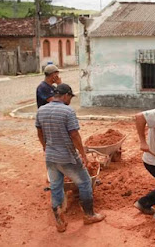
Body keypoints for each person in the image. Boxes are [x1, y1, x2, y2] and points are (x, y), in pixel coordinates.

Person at [35, 83, 105, 232]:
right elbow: (74, 135)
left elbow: (40, 133)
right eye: (70, 97)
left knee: (55, 187)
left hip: (51, 157)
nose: (70, 100)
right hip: (67, 157)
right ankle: (89, 215)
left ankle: (59, 222)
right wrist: (83, 154)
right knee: (85, 182)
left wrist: (45, 147)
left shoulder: (41, 110)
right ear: (66, 95)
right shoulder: (67, 111)